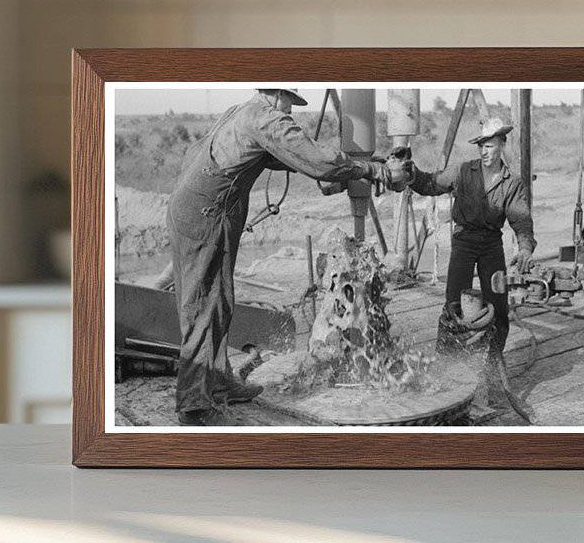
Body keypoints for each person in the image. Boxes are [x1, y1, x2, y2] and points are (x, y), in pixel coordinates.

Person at [167, 87, 389, 426]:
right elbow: (319, 163)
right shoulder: (265, 117)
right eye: (290, 102)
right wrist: (368, 169)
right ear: (276, 95)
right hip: (207, 214)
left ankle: (219, 378)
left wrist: (344, 164)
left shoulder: (240, 111)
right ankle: (194, 405)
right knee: (204, 305)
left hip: (193, 208)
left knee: (219, 300)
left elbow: (282, 154)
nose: (291, 110)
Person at [407, 116, 536, 367]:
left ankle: (493, 366)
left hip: (491, 245)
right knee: (454, 304)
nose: (484, 151)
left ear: (502, 144)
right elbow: (430, 184)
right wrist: (410, 172)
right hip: (464, 241)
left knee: (498, 307)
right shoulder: (463, 171)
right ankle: (447, 363)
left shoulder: (511, 183)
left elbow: (521, 219)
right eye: (481, 146)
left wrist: (525, 248)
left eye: (489, 146)